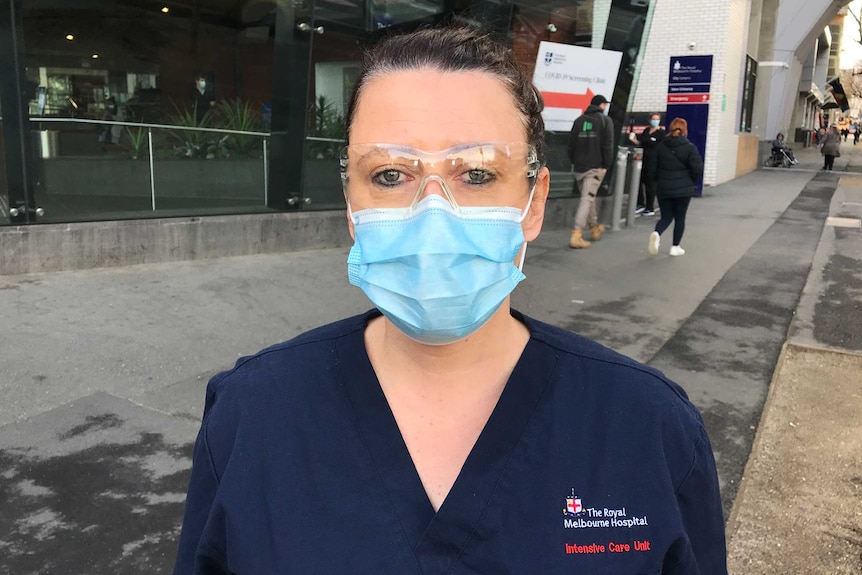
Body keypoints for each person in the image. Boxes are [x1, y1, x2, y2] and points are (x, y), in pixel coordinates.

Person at [173, 26, 727, 574]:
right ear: (350, 207)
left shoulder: (648, 430)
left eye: (478, 173)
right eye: (389, 174)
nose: (432, 215)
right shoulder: (252, 417)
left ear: (533, 204)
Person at [647, 117, 704, 257]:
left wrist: (657, 182)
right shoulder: (689, 147)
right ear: (685, 130)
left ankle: (657, 233)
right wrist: (691, 181)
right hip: (683, 189)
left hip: (664, 188)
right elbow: (697, 167)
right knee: (680, 218)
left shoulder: (660, 146)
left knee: (666, 217)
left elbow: (652, 169)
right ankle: (675, 247)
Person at [566, 94, 614, 248]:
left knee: (588, 197)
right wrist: (606, 165)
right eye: (605, 105)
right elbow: (608, 145)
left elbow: (571, 146)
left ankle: (594, 228)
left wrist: (575, 161)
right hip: (594, 168)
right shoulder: (605, 121)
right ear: (601, 105)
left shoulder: (579, 121)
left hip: (579, 167)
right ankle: (576, 233)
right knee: (587, 199)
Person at [629, 112, 666, 215]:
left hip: (653, 162)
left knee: (650, 184)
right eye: (653, 119)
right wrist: (634, 140)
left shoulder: (661, 134)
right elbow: (641, 143)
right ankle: (640, 203)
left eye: (657, 119)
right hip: (643, 160)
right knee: (639, 182)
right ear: (650, 120)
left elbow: (661, 148)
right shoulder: (646, 131)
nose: (655, 121)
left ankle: (650, 207)